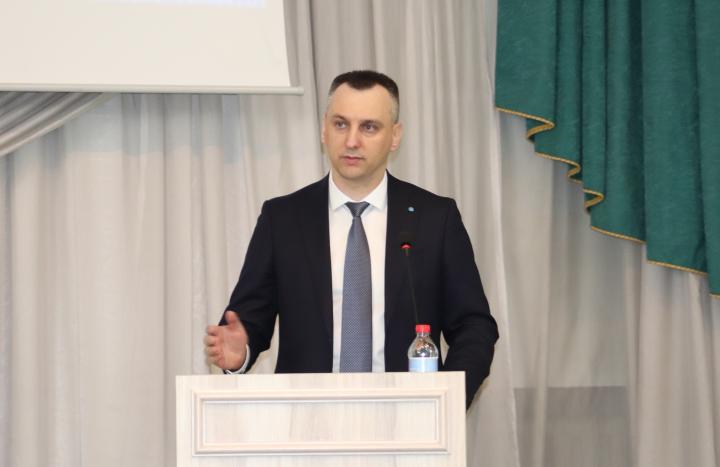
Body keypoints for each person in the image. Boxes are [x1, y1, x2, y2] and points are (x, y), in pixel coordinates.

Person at [204, 70, 498, 407]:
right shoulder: (283, 218)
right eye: (341, 124)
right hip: (307, 418)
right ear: (324, 129)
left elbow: (474, 326)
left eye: (369, 127)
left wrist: (446, 400)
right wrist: (240, 351)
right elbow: (248, 320)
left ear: (395, 136)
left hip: (408, 417)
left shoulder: (435, 218)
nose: (352, 141)